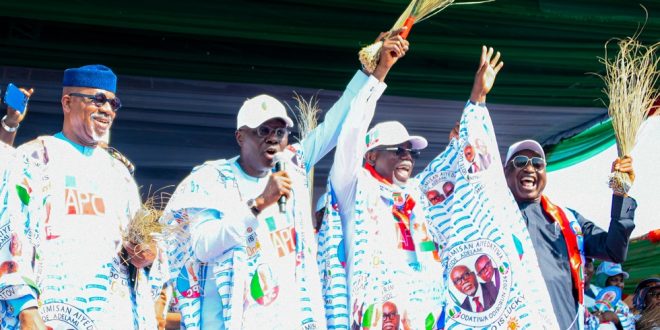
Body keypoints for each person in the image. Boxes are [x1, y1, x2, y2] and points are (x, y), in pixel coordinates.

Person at [160, 31, 407, 329]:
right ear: (241, 137)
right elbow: (203, 247)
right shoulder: (212, 180)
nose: (273, 139)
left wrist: (375, 72)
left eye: (280, 132)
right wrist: (259, 204)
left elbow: (337, 123)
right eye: (262, 131)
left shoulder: (294, 164)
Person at [0, 64, 158, 329]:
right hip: (52, 316)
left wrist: (148, 255)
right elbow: (11, 232)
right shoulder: (35, 157)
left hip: (113, 317)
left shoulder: (118, 173)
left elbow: (141, 242)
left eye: (113, 103)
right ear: (67, 102)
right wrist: (25, 308)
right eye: (97, 99)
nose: (107, 109)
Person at [504, 139, 636, 329]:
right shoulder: (490, 218)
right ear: (505, 171)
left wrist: (620, 194)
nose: (530, 168)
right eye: (520, 162)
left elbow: (614, 250)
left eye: (538, 163)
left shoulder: (569, 220)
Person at [591, 262, 635, 329]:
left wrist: (616, 318)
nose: (619, 284)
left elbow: (631, 327)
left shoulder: (624, 306)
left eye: (621, 280)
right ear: (602, 280)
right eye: (614, 280)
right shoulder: (591, 296)